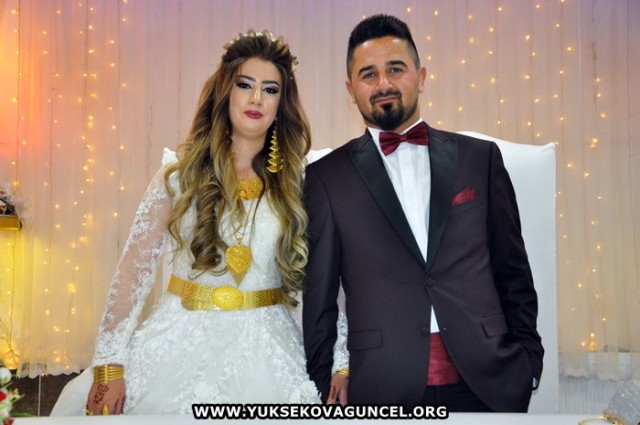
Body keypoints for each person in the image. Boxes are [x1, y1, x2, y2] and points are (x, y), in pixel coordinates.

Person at [52, 29, 329, 416]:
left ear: (281, 103)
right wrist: (109, 364)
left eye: (270, 90)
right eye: (245, 85)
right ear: (225, 91)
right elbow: (132, 274)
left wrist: (342, 361)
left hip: (269, 350)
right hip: (175, 343)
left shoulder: (301, 181)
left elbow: (332, 281)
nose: (256, 98)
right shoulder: (178, 176)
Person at [302, 14, 544, 412]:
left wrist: (528, 364)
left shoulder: (480, 158)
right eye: (368, 74)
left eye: (395, 69)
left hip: (489, 381)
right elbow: (320, 299)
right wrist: (321, 380)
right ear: (351, 89)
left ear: (421, 76)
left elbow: (513, 271)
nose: (383, 83)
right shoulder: (326, 178)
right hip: (381, 386)